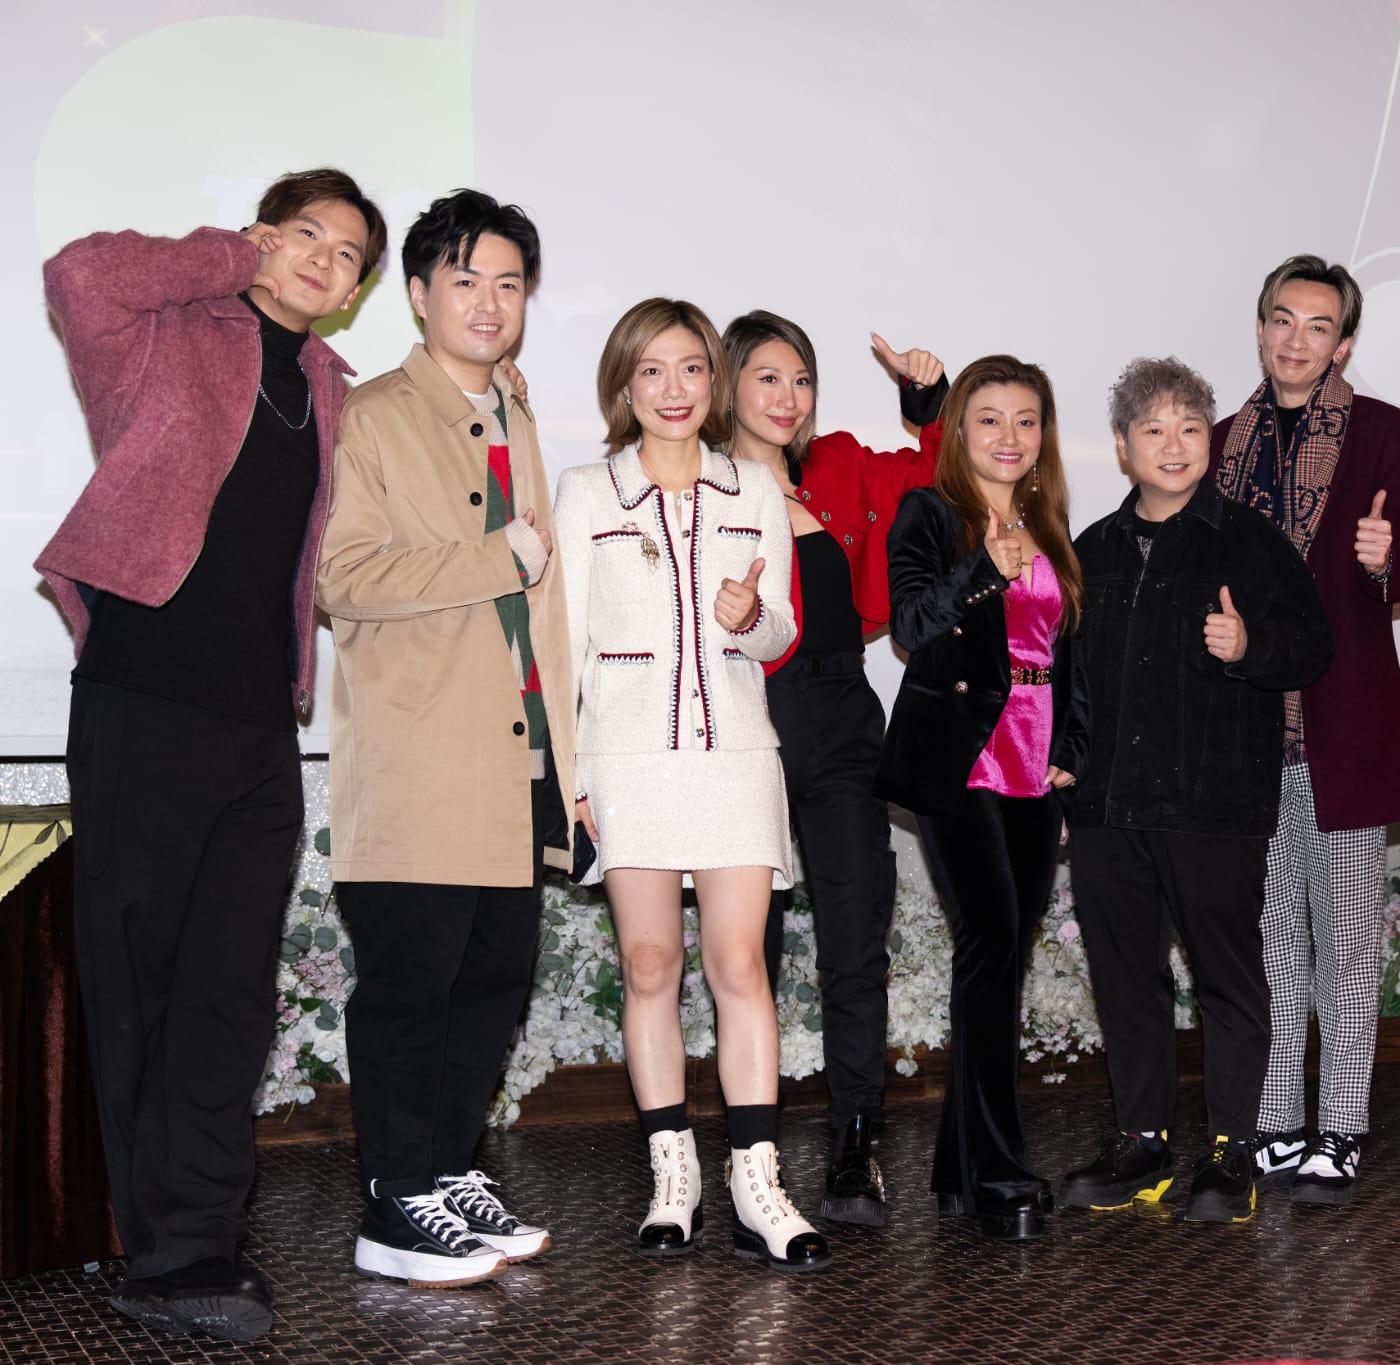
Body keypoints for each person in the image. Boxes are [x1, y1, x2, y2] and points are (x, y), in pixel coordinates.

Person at [38, 168, 384, 1341]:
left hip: (258, 724)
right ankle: (158, 1249)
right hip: (144, 698)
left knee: (228, 991)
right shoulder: (162, 335)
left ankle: (201, 1237)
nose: (323, 261)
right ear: (261, 234)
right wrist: (229, 256)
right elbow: (77, 273)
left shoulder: (330, 384)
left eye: (347, 255)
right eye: (305, 234)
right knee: (137, 979)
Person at [318, 190, 569, 1286]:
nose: (489, 302)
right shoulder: (372, 417)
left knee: (493, 979)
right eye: (465, 280)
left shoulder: (516, 414)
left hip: (517, 758)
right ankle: (393, 1201)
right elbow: (341, 579)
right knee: (411, 986)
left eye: (508, 283)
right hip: (420, 759)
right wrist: (491, 555)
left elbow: (543, 615)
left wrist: (569, 764)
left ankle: (446, 1169)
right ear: (417, 295)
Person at [555, 299, 829, 1271]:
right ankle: (673, 1177)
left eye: (691, 369)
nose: (673, 390)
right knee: (647, 966)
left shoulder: (754, 486)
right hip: (624, 762)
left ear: (713, 381)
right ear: (623, 386)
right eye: (651, 371)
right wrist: (566, 776)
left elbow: (779, 631)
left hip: (736, 757)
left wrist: (748, 615)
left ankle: (758, 1183)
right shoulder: (587, 492)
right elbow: (562, 644)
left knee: (740, 965)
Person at [1057, 358, 1332, 1224]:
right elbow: (1066, 681)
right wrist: (1065, 783)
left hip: (1213, 803)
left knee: (1227, 978)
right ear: (1123, 445)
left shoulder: (1249, 541)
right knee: (1125, 978)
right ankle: (1141, 1142)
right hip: (1108, 808)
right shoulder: (1091, 550)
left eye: (1188, 427)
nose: (1173, 445)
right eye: (1153, 429)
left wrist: (1250, 647)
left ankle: (1230, 1149)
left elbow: (1313, 645)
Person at [721, 311, 946, 1226]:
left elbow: (943, 480)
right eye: (768, 377)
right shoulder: (700, 485)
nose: (789, 397)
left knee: (855, 941)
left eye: (802, 379)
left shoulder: (844, 466)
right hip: (744, 721)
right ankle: (753, 1152)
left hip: (844, 717)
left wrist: (928, 404)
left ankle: (857, 1146)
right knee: (751, 952)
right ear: (728, 383)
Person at [1209, 254, 1400, 1202]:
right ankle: (1277, 1120)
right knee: (1269, 944)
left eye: (1319, 325)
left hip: (1345, 727)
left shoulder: (1382, 431)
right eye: (1282, 320)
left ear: (1345, 343)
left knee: (1346, 943)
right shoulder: (1223, 441)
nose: (1297, 340)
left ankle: (1340, 1123)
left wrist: (1383, 559)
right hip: (1250, 734)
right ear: (1261, 330)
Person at [875, 354, 1084, 1241]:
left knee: (998, 956)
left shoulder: (1051, 522)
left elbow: (1067, 652)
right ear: (959, 430)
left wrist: (1071, 748)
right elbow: (910, 627)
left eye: (1026, 420)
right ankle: (999, 1167)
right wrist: (984, 570)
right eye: (990, 418)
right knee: (992, 941)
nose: (1010, 436)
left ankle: (959, 1167)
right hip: (957, 757)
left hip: (1035, 762)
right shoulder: (930, 513)